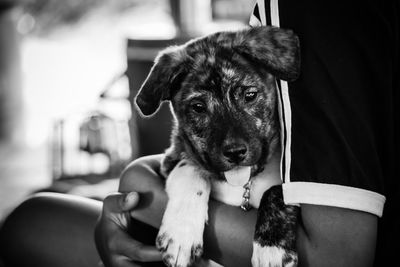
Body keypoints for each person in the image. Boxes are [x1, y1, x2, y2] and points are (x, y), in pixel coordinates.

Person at [95, 0, 399, 266]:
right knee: (46, 214)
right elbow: (173, 159)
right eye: (200, 108)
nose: (232, 141)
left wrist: (139, 185)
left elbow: (336, 256)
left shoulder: (305, 18)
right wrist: (157, 176)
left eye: (249, 96)